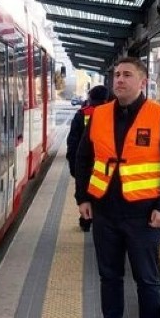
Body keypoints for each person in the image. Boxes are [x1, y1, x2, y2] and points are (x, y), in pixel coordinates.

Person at [74, 56, 160, 318]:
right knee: (109, 277)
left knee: (148, 282)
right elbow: (83, 158)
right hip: (105, 214)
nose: (119, 80)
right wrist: (82, 197)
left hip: (144, 217)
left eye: (127, 75)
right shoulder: (98, 115)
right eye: (116, 75)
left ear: (142, 81)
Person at [67, 85, 109, 231]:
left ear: (90, 98)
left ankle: (85, 220)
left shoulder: (82, 114)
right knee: (100, 193)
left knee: (85, 191)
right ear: (106, 99)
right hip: (103, 164)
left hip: (84, 162)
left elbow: (72, 143)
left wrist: (73, 166)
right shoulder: (110, 115)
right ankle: (96, 219)